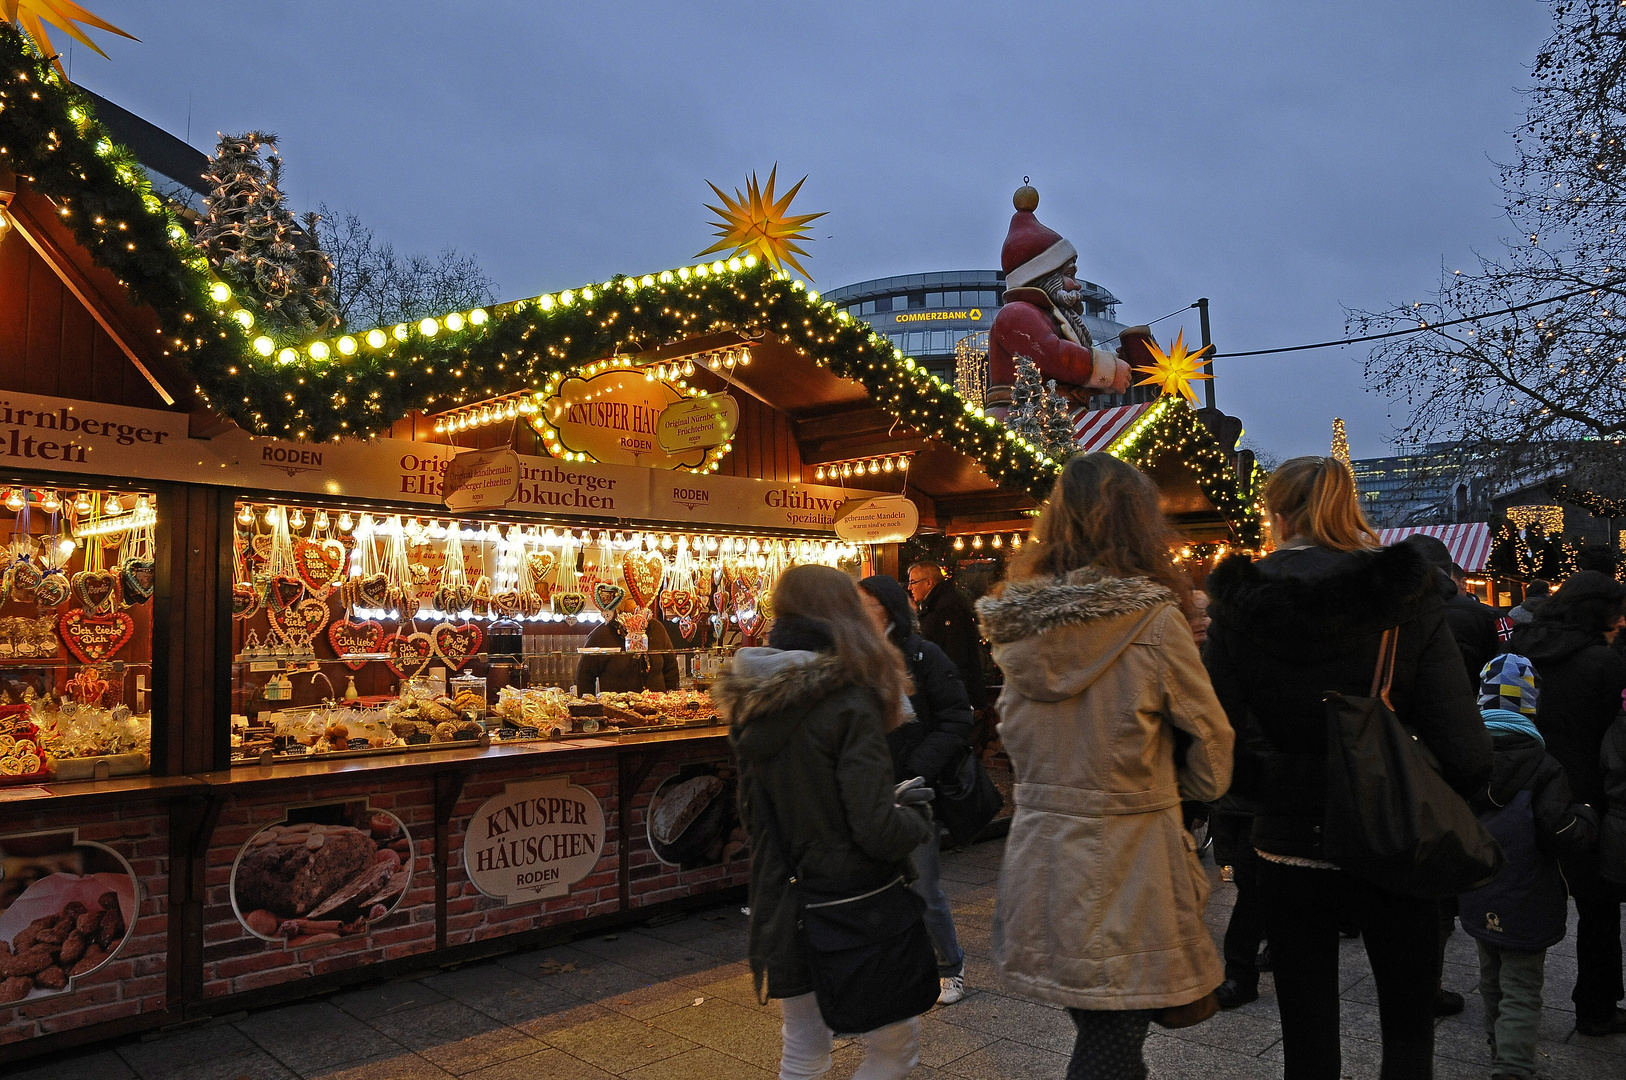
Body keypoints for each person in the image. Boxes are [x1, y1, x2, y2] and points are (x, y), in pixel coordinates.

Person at [1204, 456, 1491, 1080]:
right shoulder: (1403, 594)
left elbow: (1217, 734)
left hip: (1287, 840)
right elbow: (1464, 744)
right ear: (1349, 506)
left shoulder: (1240, 603)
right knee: (1410, 1032)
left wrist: (1266, 791)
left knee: (1306, 1033)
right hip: (1394, 830)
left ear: (1277, 514)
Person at [975, 452, 1233, 1080]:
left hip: (1042, 853)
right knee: (1114, 1046)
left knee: (1104, 1029)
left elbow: (1013, 732)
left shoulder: (1018, 628)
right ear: (1138, 524)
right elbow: (1210, 741)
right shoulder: (1151, 619)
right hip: (1130, 856)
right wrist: (1181, 789)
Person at [719, 564, 935, 1080]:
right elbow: (876, 827)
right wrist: (916, 816)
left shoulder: (752, 699)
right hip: (853, 901)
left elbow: (753, 812)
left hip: (783, 894)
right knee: (893, 1046)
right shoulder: (848, 696)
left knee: (803, 1050)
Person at [1460, 653, 1598, 1080]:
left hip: (1478, 888)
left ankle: (1495, 1038)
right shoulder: (1544, 766)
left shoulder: (1464, 760)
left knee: (1490, 975)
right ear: (1532, 705)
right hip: (1528, 893)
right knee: (1522, 986)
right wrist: (1588, 816)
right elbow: (1560, 833)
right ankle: (1513, 1066)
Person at [1509, 570, 1626, 1036]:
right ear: (1601, 611)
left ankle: (1508, 1008)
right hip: (1586, 798)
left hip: (1525, 785)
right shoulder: (1604, 662)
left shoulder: (1519, 648)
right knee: (1598, 910)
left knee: (1520, 892)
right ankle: (1595, 1005)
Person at [857, 574, 976, 1007]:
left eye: (865, 605)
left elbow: (958, 719)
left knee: (923, 885)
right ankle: (899, 966)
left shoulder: (925, 655)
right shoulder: (852, 658)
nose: (856, 613)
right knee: (879, 887)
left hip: (914, 791)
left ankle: (950, 965)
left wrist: (918, 768)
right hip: (868, 789)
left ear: (887, 610)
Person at [907, 562, 988, 710]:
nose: (909, 588)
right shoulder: (938, 605)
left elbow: (955, 652)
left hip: (952, 695)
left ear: (929, 582)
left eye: (913, 582)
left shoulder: (945, 607)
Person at [573, 600, 680, 693]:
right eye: (631, 598)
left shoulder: (656, 628)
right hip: (617, 712)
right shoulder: (602, 634)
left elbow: (671, 669)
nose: (637, 603)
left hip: (656, 709)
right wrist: (588, 710)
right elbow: (584, 676)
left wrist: (670, 702)